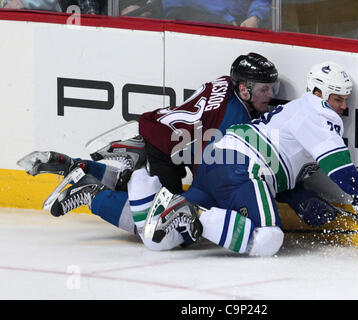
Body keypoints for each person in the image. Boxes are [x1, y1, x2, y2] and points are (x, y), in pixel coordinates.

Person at [18, 53, 280, 249]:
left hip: (163, 133)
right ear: (244, 89)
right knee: (161, 227)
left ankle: (82, 167)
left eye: (273, 87)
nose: (271, 94)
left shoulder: (224, 83)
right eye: (264, 89)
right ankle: (93, 194)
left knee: (168, 213)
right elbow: (210, 166)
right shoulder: (236, 119)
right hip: (164, 148)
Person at [144, 61, 358, 257]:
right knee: (269, 238)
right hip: (243, 168)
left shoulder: (295, 110)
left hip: (215, 164)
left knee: (162, 238)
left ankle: (182, 207)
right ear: (318, 92)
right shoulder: (316, 112)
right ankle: (196, 214)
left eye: (345, 100)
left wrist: (299, 197)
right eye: (338, 99)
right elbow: (337, 165)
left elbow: (279, 159)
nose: (343, 107)